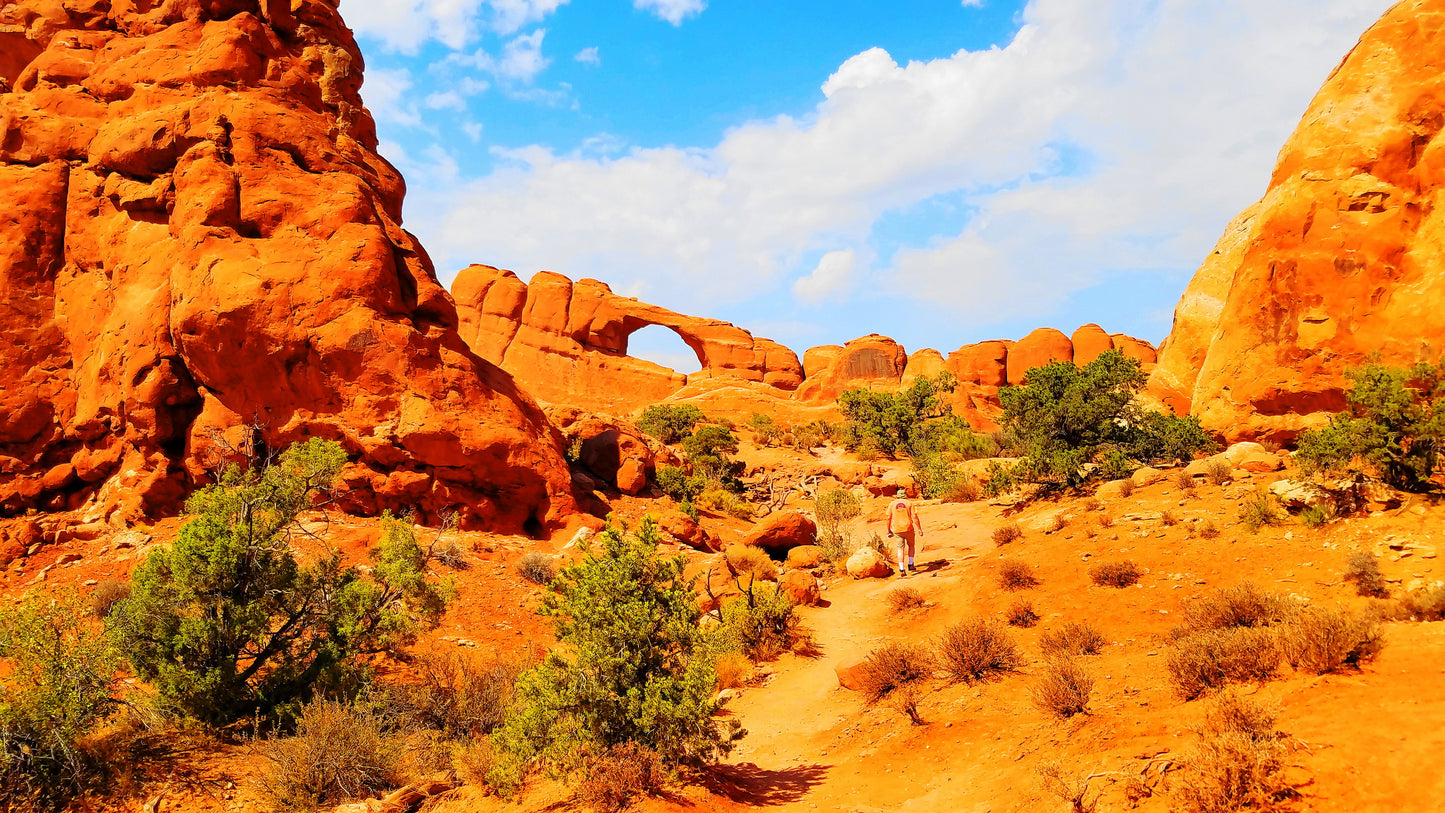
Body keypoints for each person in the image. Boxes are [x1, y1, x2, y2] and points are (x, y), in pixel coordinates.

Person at [886, 490, 923, 577]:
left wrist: (888, 530)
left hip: (897, 529)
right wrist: (919, 529)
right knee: (911, 545)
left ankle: (902, 569)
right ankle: (911, 564)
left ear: (897, 496)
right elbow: (914, 516)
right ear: (904, 496)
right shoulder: (909, 503)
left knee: (900, 549)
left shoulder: (892, 504)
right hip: (908, 528)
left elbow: (888, 518)